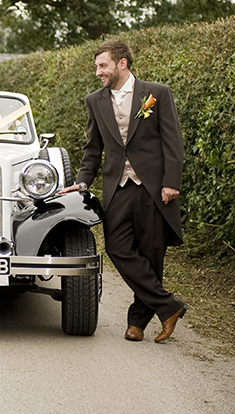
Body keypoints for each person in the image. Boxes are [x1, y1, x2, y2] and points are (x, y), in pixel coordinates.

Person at [61, 39, 187, 343]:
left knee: (152, 253)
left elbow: (173, 141)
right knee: (117, 248)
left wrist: (172, 181)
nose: (97, 72)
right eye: (96, 66)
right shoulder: (95, 100)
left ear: (122, 64)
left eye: (102, 65)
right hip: (117, 186)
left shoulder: (156, 94)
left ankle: (137, 322)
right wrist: (82, 181)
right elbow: (93, 148)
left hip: (153, 188)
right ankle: (169, 306)